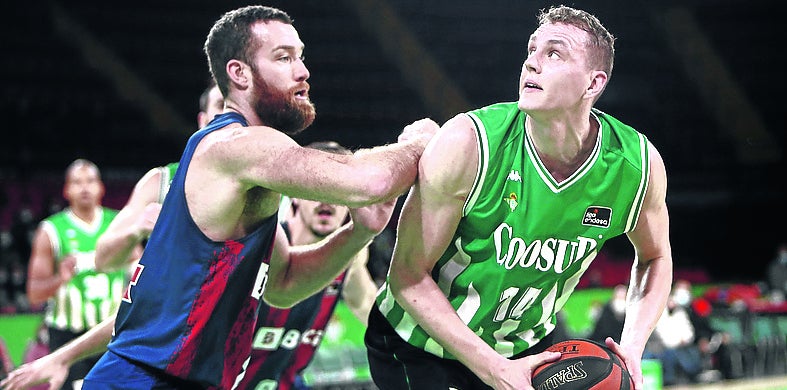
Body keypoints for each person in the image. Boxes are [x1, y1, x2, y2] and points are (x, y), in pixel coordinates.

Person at [81, 5, 436, 389]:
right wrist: (422, 143)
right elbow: (368, 181)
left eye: (301, 57)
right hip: (145, 379)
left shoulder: (254, 172)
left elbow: (283, 284)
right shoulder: (239, 145)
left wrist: (358, 234)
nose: (303, 72)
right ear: (239, 74)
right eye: (284, 58)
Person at [364, 5, 673, 390]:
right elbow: (406, 276)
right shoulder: (470, 143)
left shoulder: (635, 165)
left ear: (593, 84)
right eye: (531, 50)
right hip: (418, 345)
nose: (532, 64)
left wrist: (632, 344)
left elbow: (656, 256)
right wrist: (494, 369)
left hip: (525, 348)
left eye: (554, 53)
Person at [237, 141, 379, 390]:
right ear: (294, 193)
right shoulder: (261, 246)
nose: (328, 201)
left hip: (286, 383)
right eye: (318, 188)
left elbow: (370, 310)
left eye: (339, 190)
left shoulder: (351, 258)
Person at [24, 158, 136, 390]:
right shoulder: (51, 230)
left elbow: (142, 270)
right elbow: (34, 294)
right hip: (67, 336)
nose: (84, 187)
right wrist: (60, 279)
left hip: (111, 334)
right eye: (77, 182)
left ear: (101, 187)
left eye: (90, 181)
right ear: (66, 190)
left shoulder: (119, 223)